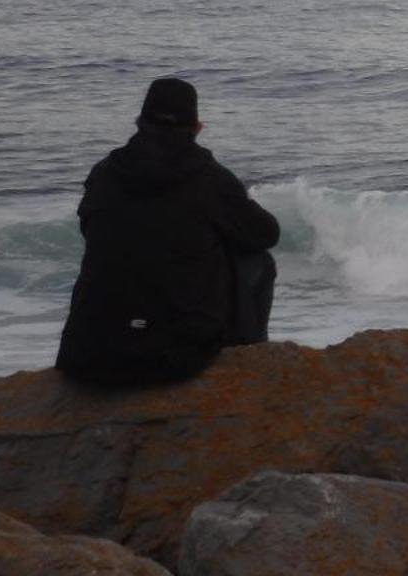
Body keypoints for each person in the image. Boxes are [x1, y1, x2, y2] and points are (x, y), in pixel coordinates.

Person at [56, 77, 280, 385]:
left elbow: (88, 227)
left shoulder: (104, 173)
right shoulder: (210, 179)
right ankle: (248, 362)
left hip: (89, 354)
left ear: (138, 121)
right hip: (176, 356)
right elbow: (267, 234)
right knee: (257, 261)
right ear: (197, 127)